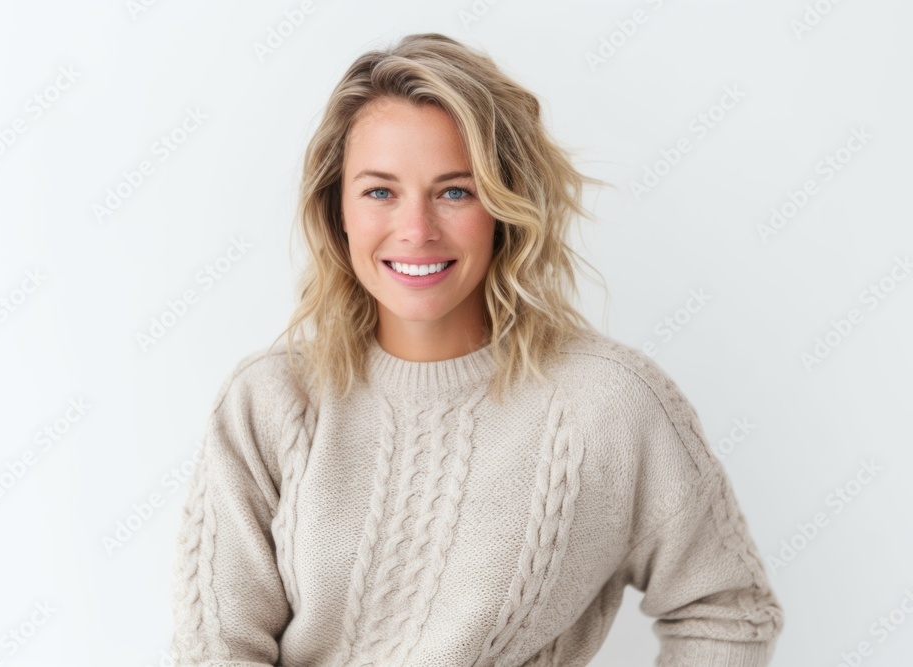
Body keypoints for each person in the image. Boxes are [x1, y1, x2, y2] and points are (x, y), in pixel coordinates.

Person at [168, 32, 784, 666]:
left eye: (455, 191)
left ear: (505, 208)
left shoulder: (609, 404)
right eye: (380, 191)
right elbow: (218, 650)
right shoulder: (268, 402)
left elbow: (725, 609)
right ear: (338, 211)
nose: (416, 231)